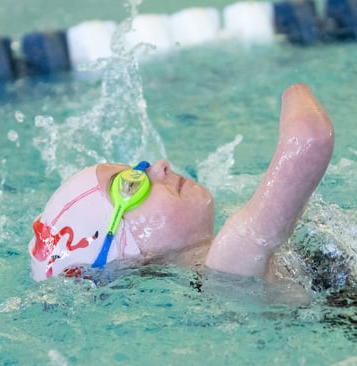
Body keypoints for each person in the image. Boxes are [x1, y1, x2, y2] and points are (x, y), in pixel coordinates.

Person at [28, 83, 334, 282]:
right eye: (131, 185)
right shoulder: (230, 261)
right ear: (133, 252)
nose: (160, 167)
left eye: (139, 168)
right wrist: (293, 86)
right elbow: (309, 139)